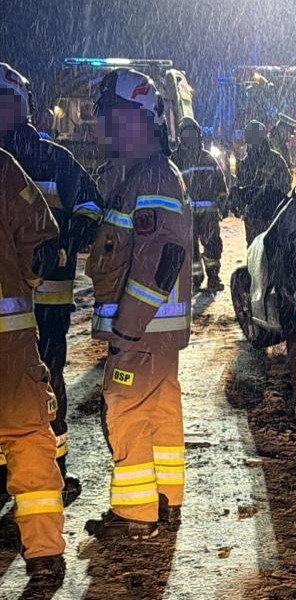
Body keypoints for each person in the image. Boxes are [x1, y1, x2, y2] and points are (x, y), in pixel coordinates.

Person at [83, 68, 191, 540]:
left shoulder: (149, 177)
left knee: (125, 409)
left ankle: (135, 514)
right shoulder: (149, 173)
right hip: (157, 335)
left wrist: (126, 329)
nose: (105, 126)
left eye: (111, 116)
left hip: (141, 332)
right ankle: (166, 500)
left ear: (138, 119)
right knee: (160, 409)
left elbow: (159, 260)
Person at [0, 64, 103, 501]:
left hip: (43, 302)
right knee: (25, 385)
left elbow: (92, 206)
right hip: (21, 304)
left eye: (10, 103)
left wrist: (68, 242)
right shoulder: (49, 159)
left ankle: (52, 467)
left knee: (44, 381)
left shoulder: (57, 159)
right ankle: (29, 469)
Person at [0, 146, 66, 582]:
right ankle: (43, 552)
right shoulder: (3, 166)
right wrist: (19, 275)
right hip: (8, 333)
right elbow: (42, 233)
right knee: (26, 434)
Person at [172, 117, 227, 292]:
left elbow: (221, 184)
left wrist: (224, 204)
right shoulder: (176, 159)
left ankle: (212, 278)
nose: (190, 137)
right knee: (190, 248)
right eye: (187, 134)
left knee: (212, 245)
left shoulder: (206, 158)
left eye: (192, 133)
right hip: (186, 213)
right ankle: (195, 280)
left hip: (205, 213)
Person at [230, 120, 291, 245]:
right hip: (263, 214)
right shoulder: (274, 158)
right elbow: (286, 183)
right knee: (267, 249)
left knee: (258, 250)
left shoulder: (251, 162)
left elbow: (286, 183)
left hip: (263, 215)